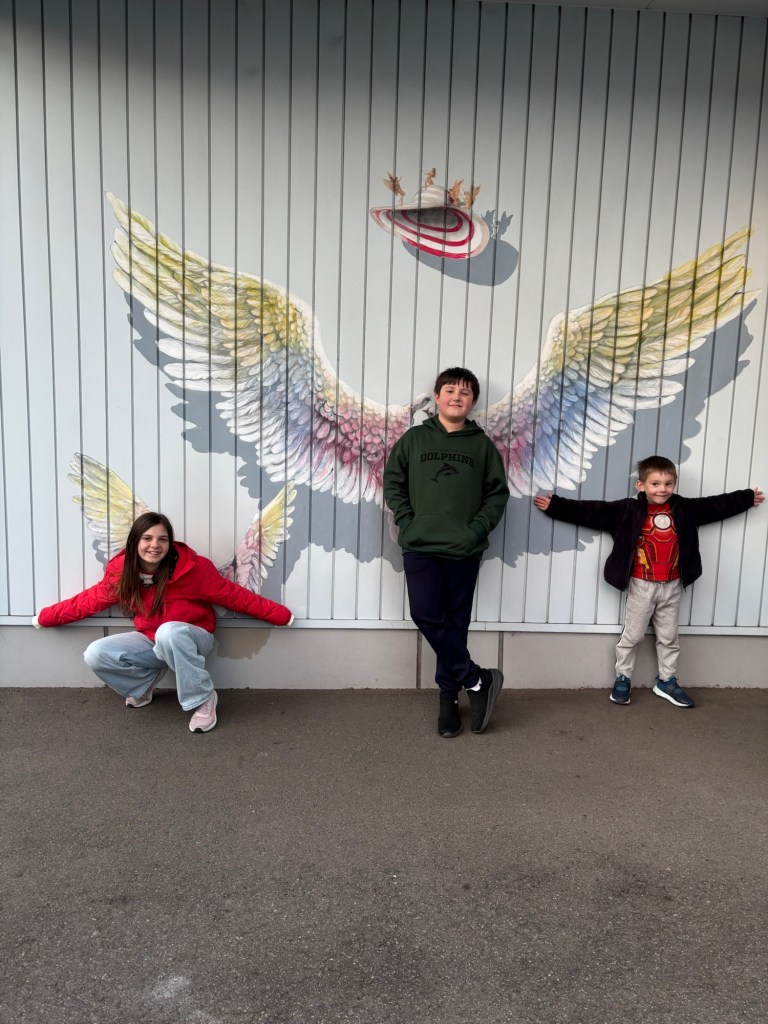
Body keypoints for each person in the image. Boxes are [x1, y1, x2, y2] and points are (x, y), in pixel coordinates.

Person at [534, 455, 764, 708]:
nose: (662, 489)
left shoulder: (684, 509)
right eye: (655, 484)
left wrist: (746, 498)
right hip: (641, 585)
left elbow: (716, 505)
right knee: (632, 636)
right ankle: (623, 678)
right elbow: (592, 511)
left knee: (669, 638)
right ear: (641, 485)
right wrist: (556, 506)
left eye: (668, 483)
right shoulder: (626, 510)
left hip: (673, 586)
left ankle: (666, 681)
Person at [32, 511, 294, 732]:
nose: (154, 545)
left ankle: (203, 698)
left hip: (194, 637)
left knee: (169, 632)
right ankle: (141, 687)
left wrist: (281, 615)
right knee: (96, 653)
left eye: (162, 539)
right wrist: (46, 617)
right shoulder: (123, 572)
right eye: (147, 538)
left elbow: (236, 597)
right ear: (135, 541)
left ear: (170, 543)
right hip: (151, 638)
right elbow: (89, 601)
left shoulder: (193, 569)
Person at [383, 367, 510, 737]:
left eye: (465, 392)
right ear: (437, 397)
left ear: (473, 402)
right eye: (450, 390)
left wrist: (476, 530)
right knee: (425, 613)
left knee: (455, 623)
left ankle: (448, 700)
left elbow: (496, 495)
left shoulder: (481, 446)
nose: (457, 396)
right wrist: (408, 521)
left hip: (463, 548)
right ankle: (477, 680)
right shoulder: (414, 439)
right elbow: (393, 482)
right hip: (420, 543)